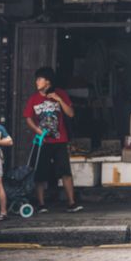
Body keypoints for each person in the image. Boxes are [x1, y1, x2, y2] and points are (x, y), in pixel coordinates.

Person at [23, 67, 83, 213]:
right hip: (43, 142)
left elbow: (71, 114)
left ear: (47, 82)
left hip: (60, 140)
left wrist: (59, 100)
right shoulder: (33, 99)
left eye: (39, 79)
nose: (36, 82)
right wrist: (37, 130)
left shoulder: (60, 93)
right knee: (40, 173)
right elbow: (28, 118)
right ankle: (41, 204)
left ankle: (71, 203)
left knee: (65, 172)